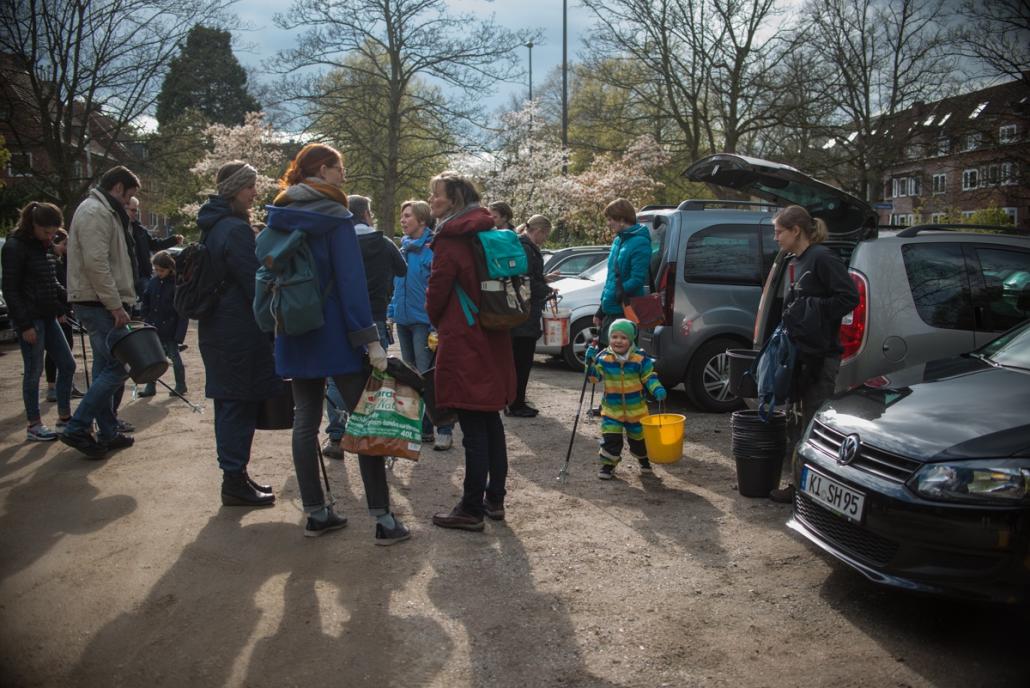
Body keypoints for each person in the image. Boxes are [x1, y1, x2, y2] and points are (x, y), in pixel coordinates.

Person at [269, 143, 408, 543]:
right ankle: (383, 520)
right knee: (364, 421)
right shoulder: (335, 216)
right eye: (339, 167)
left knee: (304, 421)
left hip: (294, 328)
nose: (344, 175)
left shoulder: (279, 212)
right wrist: (370, 340)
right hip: (335, 332)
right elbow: (351, 285)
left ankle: (315, 513)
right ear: (323, 170)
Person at [426, 171, 516, 532]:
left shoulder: (451, 239)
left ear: (454, 200)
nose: (431, 200)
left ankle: (470, 507)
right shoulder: (486, 230)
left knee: (474, 424)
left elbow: (437, 290)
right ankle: (495, 499)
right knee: (490, 419)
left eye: (436, 195)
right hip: (492, 331)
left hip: (465, 336)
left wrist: (437, 319)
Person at [196, 161, 282, 507]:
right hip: (237, 331)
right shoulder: (234, 229)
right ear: (234, 189)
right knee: (237, 403)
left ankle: (236, 475)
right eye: (249, 186)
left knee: (231, 402)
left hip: (220, 328)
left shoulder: (214, 225)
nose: (254, 193)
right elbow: (254, 283)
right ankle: (233, 479)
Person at [767, 205, 859, 503]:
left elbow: (849, 297)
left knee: (813, 424)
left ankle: (811, 492)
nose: (776, 237)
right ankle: (797, 486)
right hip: (800, 355)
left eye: (779, 231)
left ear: (796, 231)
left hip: (821, 356)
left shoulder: (822, 258)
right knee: (795, 421)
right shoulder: (797, 260)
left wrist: (814, 313)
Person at [59, 166, 141, 459]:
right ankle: (78, 426)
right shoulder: (96, 212)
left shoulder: (100, 210)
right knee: (118, 366)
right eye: (128, 196)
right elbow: (97, 263)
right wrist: (115, 305)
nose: (128, 203)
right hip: (99, 303)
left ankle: (107, 431)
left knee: (104, 367)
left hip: (98, 301)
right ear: (118, 188)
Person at [318, 194, 407, 461]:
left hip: (341, 318)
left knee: (336, 376)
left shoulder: (338, 242)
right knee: (377, 378)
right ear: (367, 213)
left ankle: (336, 435)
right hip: (375, 316)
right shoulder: (383, 243)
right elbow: (402, 270)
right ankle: (375, 438)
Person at [1, 202, 77, 441]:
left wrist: (69, 298)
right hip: (31, 320)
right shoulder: (15, 246)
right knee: (33, 373)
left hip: (47, 315)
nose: (51, 237)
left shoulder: (42, 246)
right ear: (33, 224)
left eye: (54, 232)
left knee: (68, 364)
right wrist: (24, 325)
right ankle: (34, 424)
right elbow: (10, 289)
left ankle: (65, 418)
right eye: (47, 232)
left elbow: (49, 281)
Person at [386, 199, 454, 450]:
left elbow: (439, 289)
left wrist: (437, 323)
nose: (402, 220)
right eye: (402, 216)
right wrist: (392, 312)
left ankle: (444, 428)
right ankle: (422, 428)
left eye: (408, 216)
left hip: (424, 323)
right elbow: (397, 285)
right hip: (403, 321)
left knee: (429, 378)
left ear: (422, 220)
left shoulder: (432, 248)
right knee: (412, 375)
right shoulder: (402, 248)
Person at [585, 319, 666, 480]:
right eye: (614, 337)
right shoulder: (604, 358)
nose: (618, 341)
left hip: (636, 410)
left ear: (631, 340)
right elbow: (594, 379)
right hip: (611, 409)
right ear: (609, 339)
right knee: (611, 438)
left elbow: (649, 376)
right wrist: (589, 363)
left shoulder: (640, 359)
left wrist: (656, 387)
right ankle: (608, 466)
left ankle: (643, 461)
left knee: (639, 440)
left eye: (623, 337)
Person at [507, 214, 553, 418]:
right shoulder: (527, 248)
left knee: (517, 360)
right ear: (539, 231)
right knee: (522, 361)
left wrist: (542, 281)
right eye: (545, 235)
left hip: (517, 314)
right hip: (524, 315)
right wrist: (546, 289)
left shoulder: (520, 245)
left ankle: (513, 400)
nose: (544, 240)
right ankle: (516, 403)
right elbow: (525, 282)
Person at [593, 198, 651, 346]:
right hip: (610, 310)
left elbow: (637, 279)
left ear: (622, 219)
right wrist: (601, 310)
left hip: (624, 311)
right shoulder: (618, 240)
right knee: (604, 360)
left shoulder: (640, 242)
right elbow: (611, 278)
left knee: (620, 364)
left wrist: (615, 294)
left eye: (611, 219)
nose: (609, 223)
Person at [138, 251, 188, 397]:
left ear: (170, 269)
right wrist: (144, 316)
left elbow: (181, 312)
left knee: (174, 356)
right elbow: (146, 301)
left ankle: (180, 384)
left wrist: (179, 335)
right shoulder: (153, 282)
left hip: (170, 329)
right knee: (152, 358)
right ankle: (150, 385)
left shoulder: (176, 284)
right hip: (153, 327)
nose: (158, 273)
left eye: (162, 270)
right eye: (156, 270)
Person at [43, 228, 84, 403]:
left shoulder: (63, 260)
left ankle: (66, 385)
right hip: (56, 312)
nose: (67, 247)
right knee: (55, 351)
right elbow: (51, 289)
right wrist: (59, 311)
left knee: (68, 346)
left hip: (65, 309)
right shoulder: (50, 261)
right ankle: (52, 387)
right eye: (65, 243)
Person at [127, 196, 183, 298]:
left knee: (150, 299)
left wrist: (173, 240)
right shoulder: (116, 228)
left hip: (141, 275)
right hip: (124, 277)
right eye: (133, 210)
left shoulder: (140, 230)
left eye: (137, 211)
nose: (135, 213)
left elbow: (154, 244)